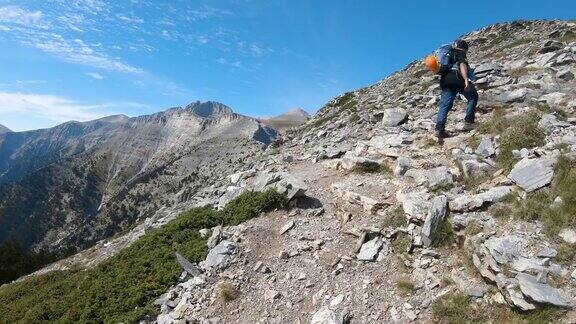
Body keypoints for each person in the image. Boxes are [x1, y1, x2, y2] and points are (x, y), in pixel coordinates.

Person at [436, 39, 478, 140]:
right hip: (457, 80)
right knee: (473, 96)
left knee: (445, 105)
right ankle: (469, 122)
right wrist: (466, 80)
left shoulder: (448, 54)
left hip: (446, 81)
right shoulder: (460, 52)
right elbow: (462, 65)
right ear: (465, 48)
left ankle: (439, 129)